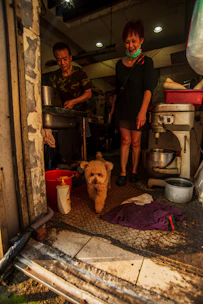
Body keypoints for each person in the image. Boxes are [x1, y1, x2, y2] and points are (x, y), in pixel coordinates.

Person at [110, 20, 154, 186]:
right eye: (127, 41)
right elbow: (116, 89)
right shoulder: (119, 65)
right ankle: (122, 172)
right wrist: (112, 109)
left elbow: (148, 88)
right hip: (123, 107)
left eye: (134, 41)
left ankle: (134, 171)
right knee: (125, 141)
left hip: (138, 109)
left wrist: (143, 112)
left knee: (136, 142)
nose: (130, 45)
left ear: (141, 40)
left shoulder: (147, 62)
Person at [48, 42, 92, 163]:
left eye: (65, 59)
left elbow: (88, 93)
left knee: (83, 141)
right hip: (66, 116)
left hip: (81, 114)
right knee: (67, 143)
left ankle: (83, 164)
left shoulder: (79, 73)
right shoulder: (54, 77)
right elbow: (52, 96)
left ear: (70, 58)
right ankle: (69, 164)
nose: (62, 63)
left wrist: (74, 101)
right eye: (59, 60)